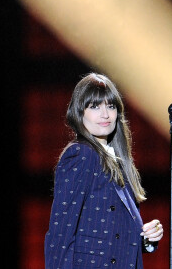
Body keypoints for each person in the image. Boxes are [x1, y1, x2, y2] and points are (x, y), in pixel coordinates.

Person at [44, 73, 163, 269]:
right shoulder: (81, 155)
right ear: (79, 112)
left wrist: (148, 239)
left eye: (111, 106)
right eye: (95, 106)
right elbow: (61, 233)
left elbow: (111, 237)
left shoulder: (117, 163)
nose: (105, 114)